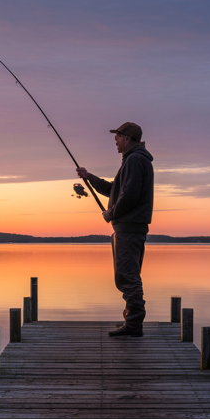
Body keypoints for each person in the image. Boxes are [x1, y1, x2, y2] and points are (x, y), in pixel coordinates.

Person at [76, 122, 155, 337]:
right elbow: (114, 190)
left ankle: (134, 323)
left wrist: (110, 214)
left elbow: (128, 197)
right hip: (129, 227)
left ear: (127, 138)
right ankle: (132, 319)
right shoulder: (133, 161)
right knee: (128, 274)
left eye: (117, 138)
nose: (116, 143)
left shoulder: (135, 160)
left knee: (127, 275)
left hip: (129, 228)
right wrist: (88, 177)